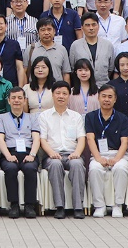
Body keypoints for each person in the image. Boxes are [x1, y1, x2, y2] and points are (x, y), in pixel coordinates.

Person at [38, 81, 84, 218]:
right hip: (52, 155)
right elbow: (42, 140)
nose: (61, 96)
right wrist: (52, 153)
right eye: (58, 93)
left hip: (72, 154)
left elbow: (81, 138)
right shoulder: (44, 116)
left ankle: (78, 207)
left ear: (69, 96)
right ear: (52, 95)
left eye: (64, 93)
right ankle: (59, 206)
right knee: (55, 164)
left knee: (77, 164)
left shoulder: (76, 116)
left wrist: (77, 153)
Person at [85, 83, 128, 217]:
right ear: (98, 98)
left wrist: (116, 159)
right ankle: (99, 206)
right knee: (94, 169)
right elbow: (90, 139)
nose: (106, 99)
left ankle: (118, 205)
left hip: (119, 154)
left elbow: (125, 142)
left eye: (110, 97)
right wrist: (98, 158)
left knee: (121, 168)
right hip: (98, 154)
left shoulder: (122, 118)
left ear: (115, 99)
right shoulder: (90, 117)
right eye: (103, 96)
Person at [0, 86, 40, 218]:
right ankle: (14, 204)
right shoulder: (1, 118)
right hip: (9, 152)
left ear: (25, 100)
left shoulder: (32, 117)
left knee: (30, 168)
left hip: (28, 152)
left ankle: (29, 205)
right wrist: (8, 156)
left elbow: (36, 139)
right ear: (8, 101)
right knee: (10, 168)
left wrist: (32, 155)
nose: (17, 100)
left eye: (20, 98)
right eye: (13, 98)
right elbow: (0, 139)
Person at [68, 12, 113, 88]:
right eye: (87, 25)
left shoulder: (107, 45)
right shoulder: (75, 45)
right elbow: (73, 67)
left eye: (94, 25)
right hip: (82, 87)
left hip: (103, 87)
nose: (91, 28)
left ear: (98, 26)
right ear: (82, 28)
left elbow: (110, 68)